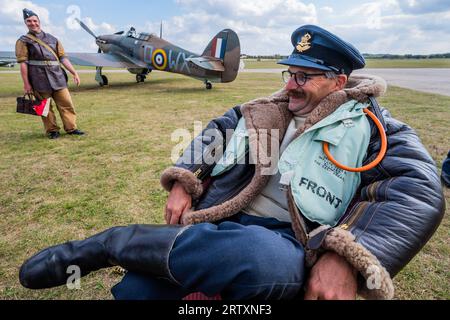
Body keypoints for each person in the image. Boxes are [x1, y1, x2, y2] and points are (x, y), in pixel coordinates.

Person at [18, 25, 445, 300]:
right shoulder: (261, 108)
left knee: (262, 260)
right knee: (138, 294)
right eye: (289, 73)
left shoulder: (376, 128)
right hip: (224, 222)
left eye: (304, 76)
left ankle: (111, 244)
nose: (291, 85)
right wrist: (186, 180)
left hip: (289, 241)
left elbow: (419, 186)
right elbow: (216, 130)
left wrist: (349, 255)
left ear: (339, 80)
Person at [16, 8, 85, 139]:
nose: (32, 23)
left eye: (34, 20)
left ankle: (71, 128)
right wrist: (27, 84)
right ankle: (52, 130)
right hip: (38, 79)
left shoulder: (53, 39)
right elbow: (23, 63)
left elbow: (63, 58)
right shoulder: (23, 41)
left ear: (39, 22)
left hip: (58, 77)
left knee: (67, 104)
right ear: (26, 23)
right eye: (29, 21)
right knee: (44, 107)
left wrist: (74, 72)